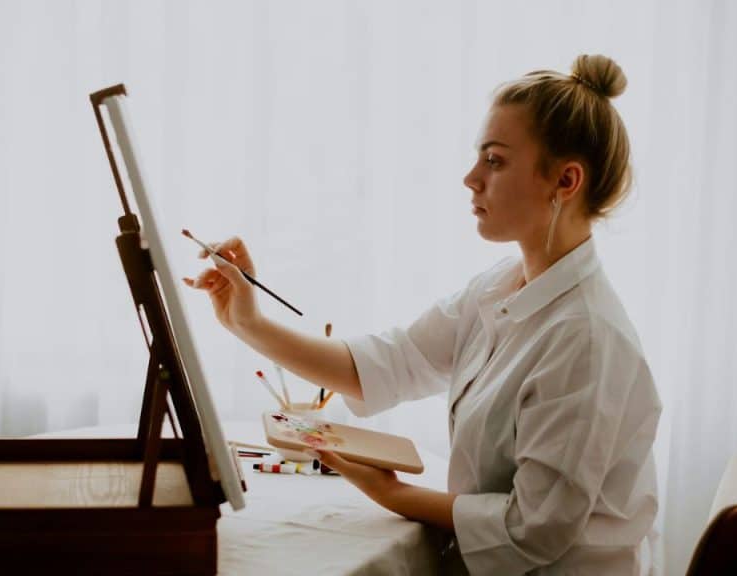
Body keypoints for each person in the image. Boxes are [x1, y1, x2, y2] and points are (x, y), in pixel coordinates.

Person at [188, 54, 661, 575]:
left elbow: (534, 528)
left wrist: (391, 493)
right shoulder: (500, 286)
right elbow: (387, 365)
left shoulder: (586, 338)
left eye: (495, 161)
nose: (470, 178)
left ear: (565, 182)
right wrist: (248, 323)